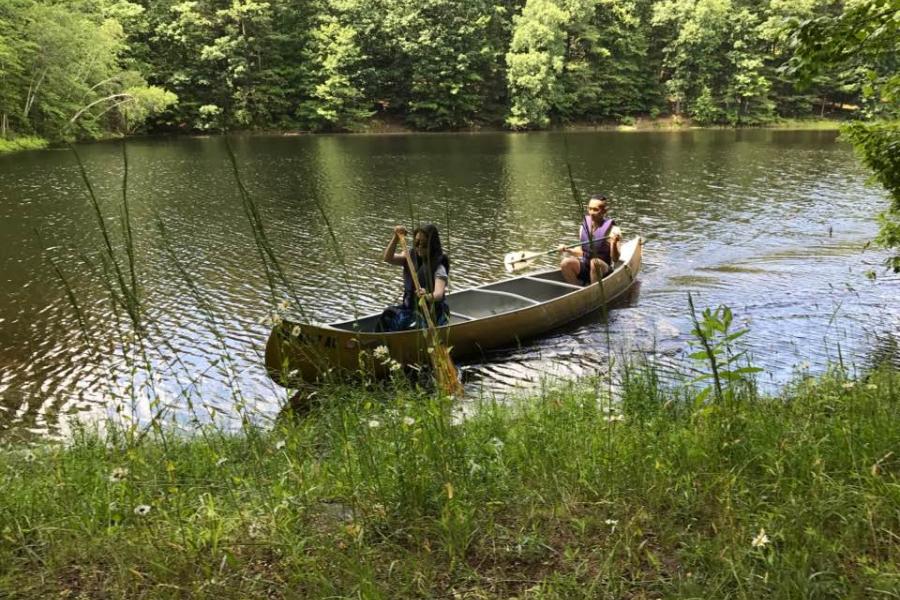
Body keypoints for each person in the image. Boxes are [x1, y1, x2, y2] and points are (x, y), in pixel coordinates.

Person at [377, 223, 450, 331]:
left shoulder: (439, 266)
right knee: (387, 315)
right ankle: (382, 343)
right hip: (410, 309)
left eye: (424, 244)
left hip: (430, 313)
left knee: (405, 323)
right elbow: (388, 258)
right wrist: (396, 238)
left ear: (432, 245)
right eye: (417, 242)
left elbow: (438, 294)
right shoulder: (410, 256)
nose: (419, 246)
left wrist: (426, 296)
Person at [559, 194, 622, 286]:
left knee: (595, 263)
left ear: (604, 211)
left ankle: (593, 292)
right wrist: (567, 250)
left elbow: (615, 259)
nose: (591, 212)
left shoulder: (613, 230)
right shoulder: (583, 227)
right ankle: (577, 291)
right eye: (590, 209)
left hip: (603, 270)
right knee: (565, 263)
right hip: (586, 266)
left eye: (596, 209)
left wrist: (613, 243)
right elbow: (581, 251)